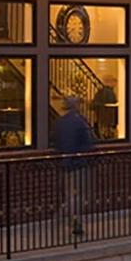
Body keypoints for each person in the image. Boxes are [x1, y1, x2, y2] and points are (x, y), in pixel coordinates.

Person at [51, 96, 94, 237]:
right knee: (81, 194)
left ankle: (72, 217)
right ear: (76, 106)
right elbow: (89, 142)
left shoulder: (59, 122)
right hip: (79, 163)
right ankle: (72, 217)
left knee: (70, 192)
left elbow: (56, 141)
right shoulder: (80, 122)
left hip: (65, 163)